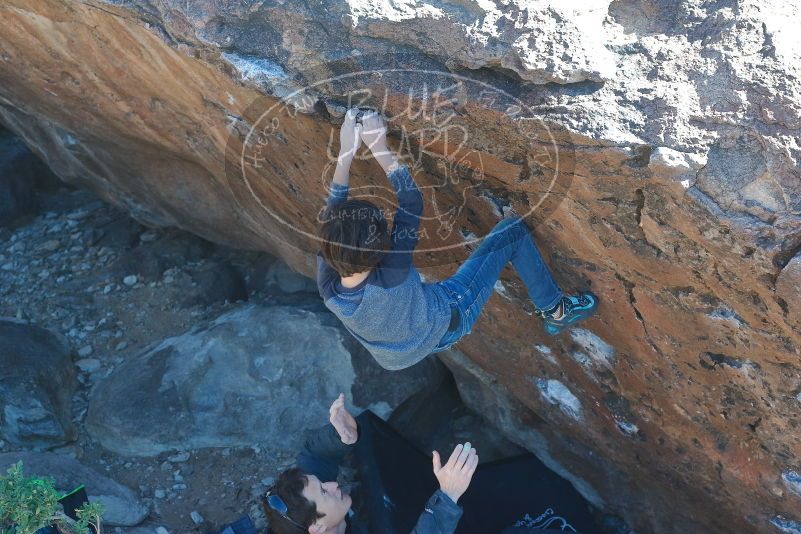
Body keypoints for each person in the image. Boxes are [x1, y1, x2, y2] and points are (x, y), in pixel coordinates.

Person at [316, 109, 598, 371]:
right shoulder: (392, 272)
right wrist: (379, 147)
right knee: (510, 232)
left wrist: (346, 152)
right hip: (449, 318)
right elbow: (411, 203)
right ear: (382, 249)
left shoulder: (329, 284)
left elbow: (333, 218)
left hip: (397, 354)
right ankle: (555, 310)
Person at [262, 394, 478, 533]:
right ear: (317, 528)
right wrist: (448, 497)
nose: (333, 485)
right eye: (324, 492)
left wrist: (342, 437)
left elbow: (314, 457)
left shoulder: (305, 512)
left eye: (322, 482)